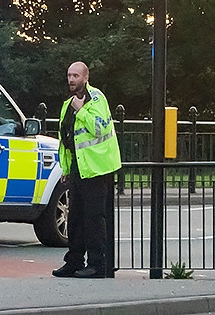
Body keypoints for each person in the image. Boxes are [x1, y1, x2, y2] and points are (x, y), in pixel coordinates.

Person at [52, 62, 121, 279]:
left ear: (85, 77)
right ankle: (73, 262)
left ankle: (98, 264)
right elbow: (65, 139)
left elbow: (100, 128)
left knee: (93, 218)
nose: (71, 80)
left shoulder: (96, 99)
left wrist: (81, 111)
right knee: (75, 219)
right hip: (78, 168)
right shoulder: (67, 104)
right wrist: (65, 168)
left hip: (98, 168)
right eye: (69, 76)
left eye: (75, 76)